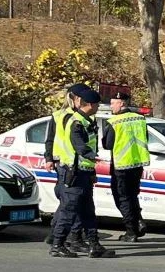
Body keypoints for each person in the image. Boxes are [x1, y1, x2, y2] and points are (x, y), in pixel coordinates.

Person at [49, 85, 115, 258]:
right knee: (69, 210)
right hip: (73, 172)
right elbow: (79, 146)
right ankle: (57, 245)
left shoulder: (86, 120)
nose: (98, 108)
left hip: (84, 172)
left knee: (88, 211)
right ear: (90, 105)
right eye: (97, 105)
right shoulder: (76, 122)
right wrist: (93, 157)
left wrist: (92, 171)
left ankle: (94, 245)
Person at [42, 83, 88, 252]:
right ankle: (68, 237)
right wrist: (48, 158)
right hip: (65, 164)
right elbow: (50, 139)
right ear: (73, 98)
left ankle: (56, 234)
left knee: (69, 202)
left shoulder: (81, 116)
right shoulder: (61, 116)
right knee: (71, 202)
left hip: (73, 164)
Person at [102, 91, 150, 243]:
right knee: (132, 196)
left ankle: (131, 231)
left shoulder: (114, 122)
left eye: (113, 103)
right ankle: (138, 222)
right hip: (137, 164)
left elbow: (107, 144)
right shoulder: (140, 119)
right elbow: (146, 138)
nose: (111, 106)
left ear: (121, 103)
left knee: (122, 198)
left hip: (121, 166)